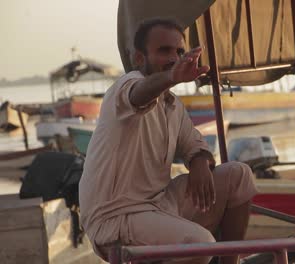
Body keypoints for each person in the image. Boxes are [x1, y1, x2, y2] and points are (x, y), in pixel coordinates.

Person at [79, 17, 258, 264]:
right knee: (201, 244)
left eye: (180, 51)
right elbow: (139, 94)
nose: (175, 58)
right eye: (165, 51)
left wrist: (199, 163)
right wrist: (172, 76)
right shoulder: (124, 88)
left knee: (239, 175)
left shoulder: (172, 106)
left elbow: (196, 146)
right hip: (116, 217)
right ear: (139, 58)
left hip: (159, 205)